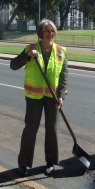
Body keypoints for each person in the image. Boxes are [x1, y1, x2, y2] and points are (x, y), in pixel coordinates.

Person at [10, 19, 68, 176]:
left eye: (53, 31)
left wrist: (61, 96)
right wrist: (27, 56)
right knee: (30, 129)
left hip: (52, 97)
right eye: (47, 31)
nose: (51, 33)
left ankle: (50, 163)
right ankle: (24, 164)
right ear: (40, 33)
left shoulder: (61, 51)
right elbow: (13, 65)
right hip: (34, 97)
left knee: (52, 130)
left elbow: (64, 76)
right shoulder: (30, 48)